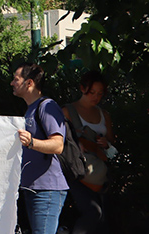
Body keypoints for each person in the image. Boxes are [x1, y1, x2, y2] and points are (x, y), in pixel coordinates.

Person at [12, 62, 68, 234]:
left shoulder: (47, 106)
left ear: (29, 83)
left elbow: (58, 145)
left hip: (47, 189)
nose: (12, 83)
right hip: (33, 188)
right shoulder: (31, 109)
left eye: (16, 79)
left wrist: (31, 142)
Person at [63, 71, 115, 234]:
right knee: (93, 213)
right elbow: (58, 140)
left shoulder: (103, 114)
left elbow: (112, 145)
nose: (96, 97)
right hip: (76, 171)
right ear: (82, 88)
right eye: (92, 92)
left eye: (100, 94)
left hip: (99, 173)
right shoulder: (67, 111)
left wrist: (106, 144)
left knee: (102, 219)